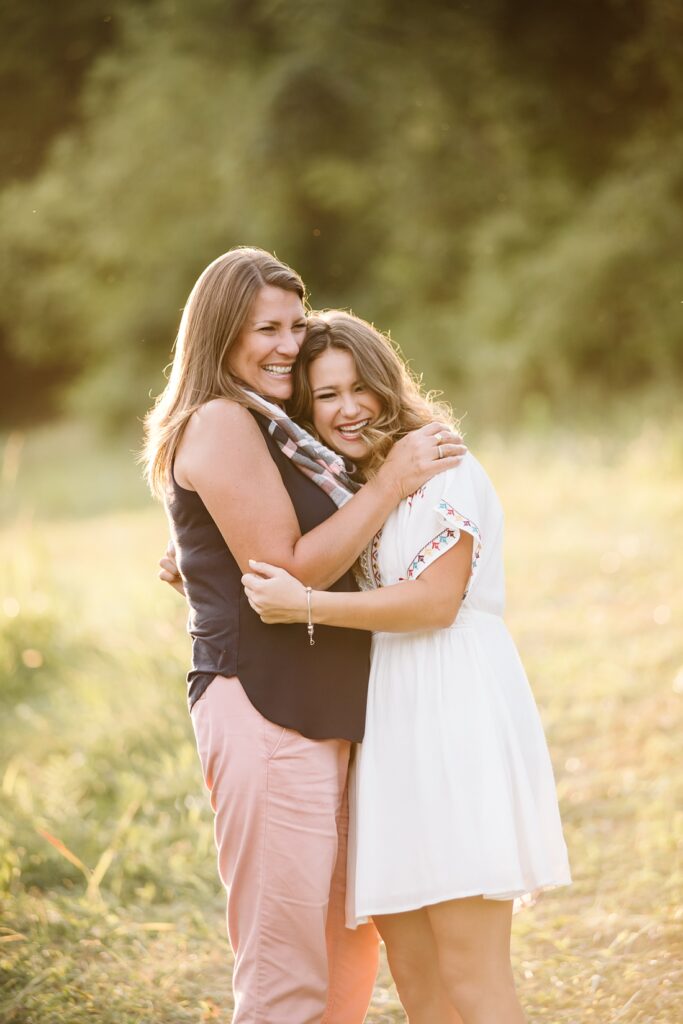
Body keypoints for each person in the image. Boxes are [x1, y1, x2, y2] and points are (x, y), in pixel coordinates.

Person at [143, 247, 465, 1024]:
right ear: (220, 332)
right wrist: (393, 484)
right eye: (266, 328)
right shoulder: (221, 419)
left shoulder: (278, 428)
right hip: (265, 707)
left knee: (343, 960)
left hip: (328, 712)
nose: (289, 343)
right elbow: (290, 569)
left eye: (295, 323)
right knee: (287, 972)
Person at [242, 310, 572, 1024]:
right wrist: (198, 565)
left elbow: (434, 602)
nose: (347, 409)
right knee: (415, 972)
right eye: (325, 396)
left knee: (468, 968)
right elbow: (282, 547)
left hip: (453, 710)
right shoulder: (355, 488)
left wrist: (305, 606)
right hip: (388, 728)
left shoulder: (440, 463)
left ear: (388, 385)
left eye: (359, 387)